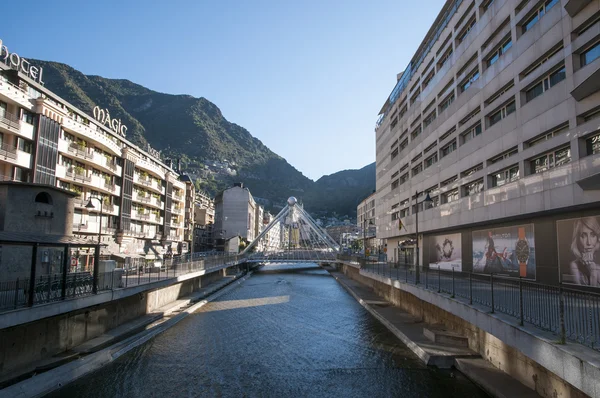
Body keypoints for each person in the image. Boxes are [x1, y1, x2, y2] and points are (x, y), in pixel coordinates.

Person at [569, 217, 600, 287]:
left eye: (593, 235)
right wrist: (592, 270)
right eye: (584, 236)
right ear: (577, 239)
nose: (589, 242)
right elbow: (586, 294)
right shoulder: (574, 265)